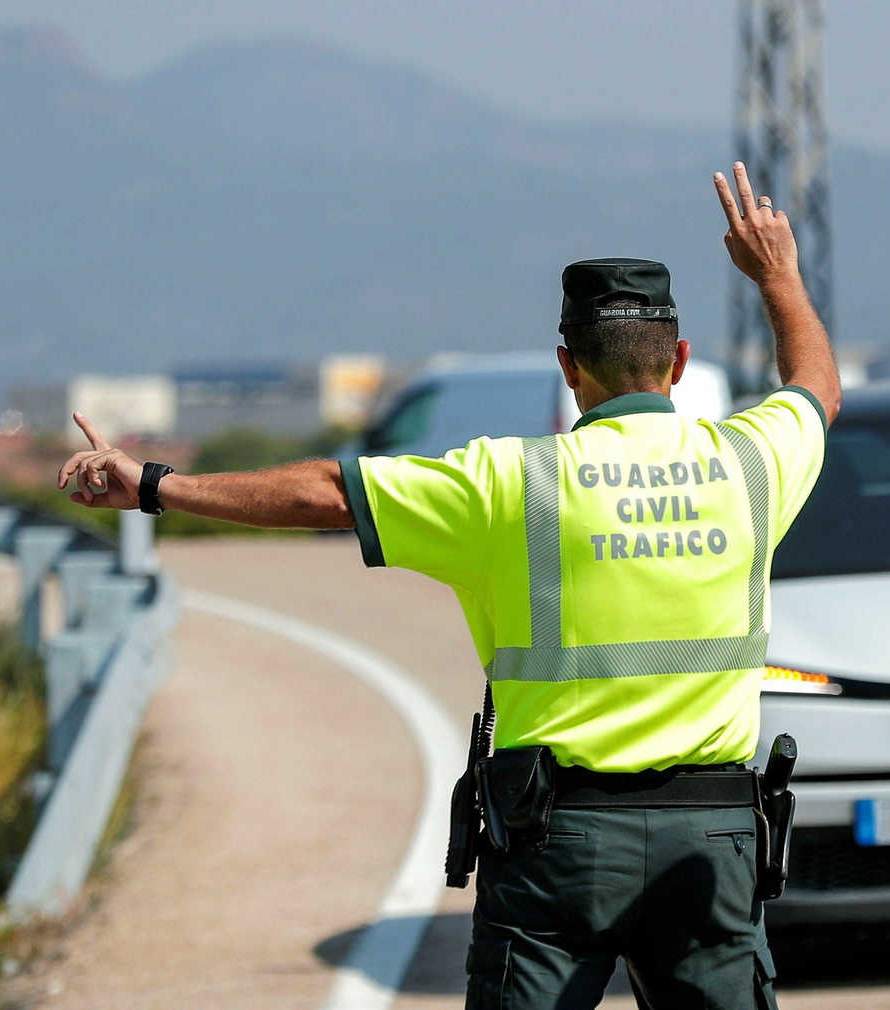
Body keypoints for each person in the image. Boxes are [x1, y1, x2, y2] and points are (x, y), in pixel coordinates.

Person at [57, 161, 840, 1010]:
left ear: (567, 366)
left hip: (558, 845)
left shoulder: (510, 483)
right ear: (679, 360)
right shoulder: (753, 463)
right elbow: (815, 390)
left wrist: (153, 485)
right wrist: (779, 276)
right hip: (711, 841)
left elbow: (327, 491)